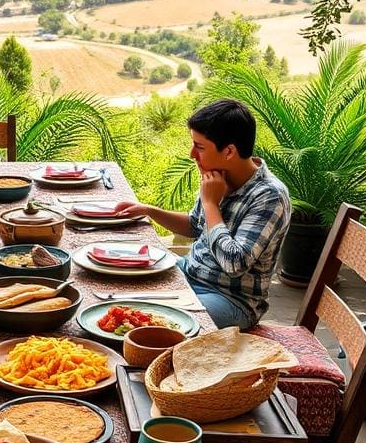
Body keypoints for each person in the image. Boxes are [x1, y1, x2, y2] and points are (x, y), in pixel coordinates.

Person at [114, 99, 290, 329]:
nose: (191, 154)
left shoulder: (269, 196)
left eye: (200, 147)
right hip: (189, 273)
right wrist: (149, 210)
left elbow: (234, 263)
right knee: (117, 283)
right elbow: (195, 226)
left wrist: (210, 204)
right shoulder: (218, 177)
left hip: (231, 301)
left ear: (229, 151)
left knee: (146, 321)